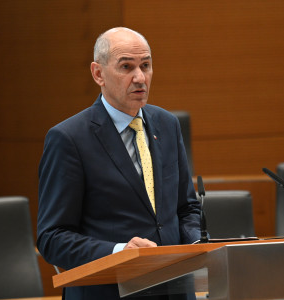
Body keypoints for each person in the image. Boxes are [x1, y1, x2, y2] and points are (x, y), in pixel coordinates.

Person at [37, 27, 201, 300]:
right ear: (98, 73)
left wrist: (197, 242)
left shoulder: (167, 125)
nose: (140, 78)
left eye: (146, 66)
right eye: (126, 67)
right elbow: (52, 237)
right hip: (108, 292)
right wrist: (117, 251)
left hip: (174, 289)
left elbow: (186, 208)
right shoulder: (68, 139)